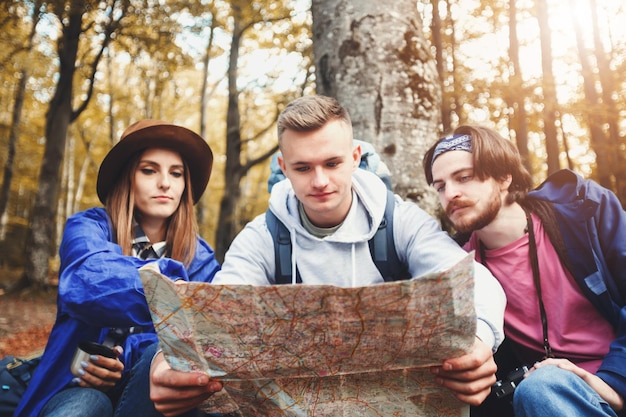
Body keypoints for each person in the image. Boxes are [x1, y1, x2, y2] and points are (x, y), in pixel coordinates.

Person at [148, 95, 507, 416]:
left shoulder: (399, 220)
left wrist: (478, 343)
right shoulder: (262, 236)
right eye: (303, 168)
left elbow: (475, 281)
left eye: (332, 163)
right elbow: (218, 310)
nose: (319, 181)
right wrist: (166, 362)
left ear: (354, 158)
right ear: (284, 167)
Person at [15, 120, 221, 417]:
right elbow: (88, 284)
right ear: (127, 177)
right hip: (73, 385)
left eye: (176, 173)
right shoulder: (88, 228)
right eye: (149, 170)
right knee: (85, 405)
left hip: (154, 391)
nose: (165, 183)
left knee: (160, 358)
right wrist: (173, 287)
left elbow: (206, 335)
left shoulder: (199, 257)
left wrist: (129, 356)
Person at [423, 125, 626, 417]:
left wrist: (615, 387)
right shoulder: (456, 263)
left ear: (505, 177)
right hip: (535, 402)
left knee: (542, 387)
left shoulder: (585, 214)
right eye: (440, 186)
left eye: (464, 177)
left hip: (612, 386)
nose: (451, 194)